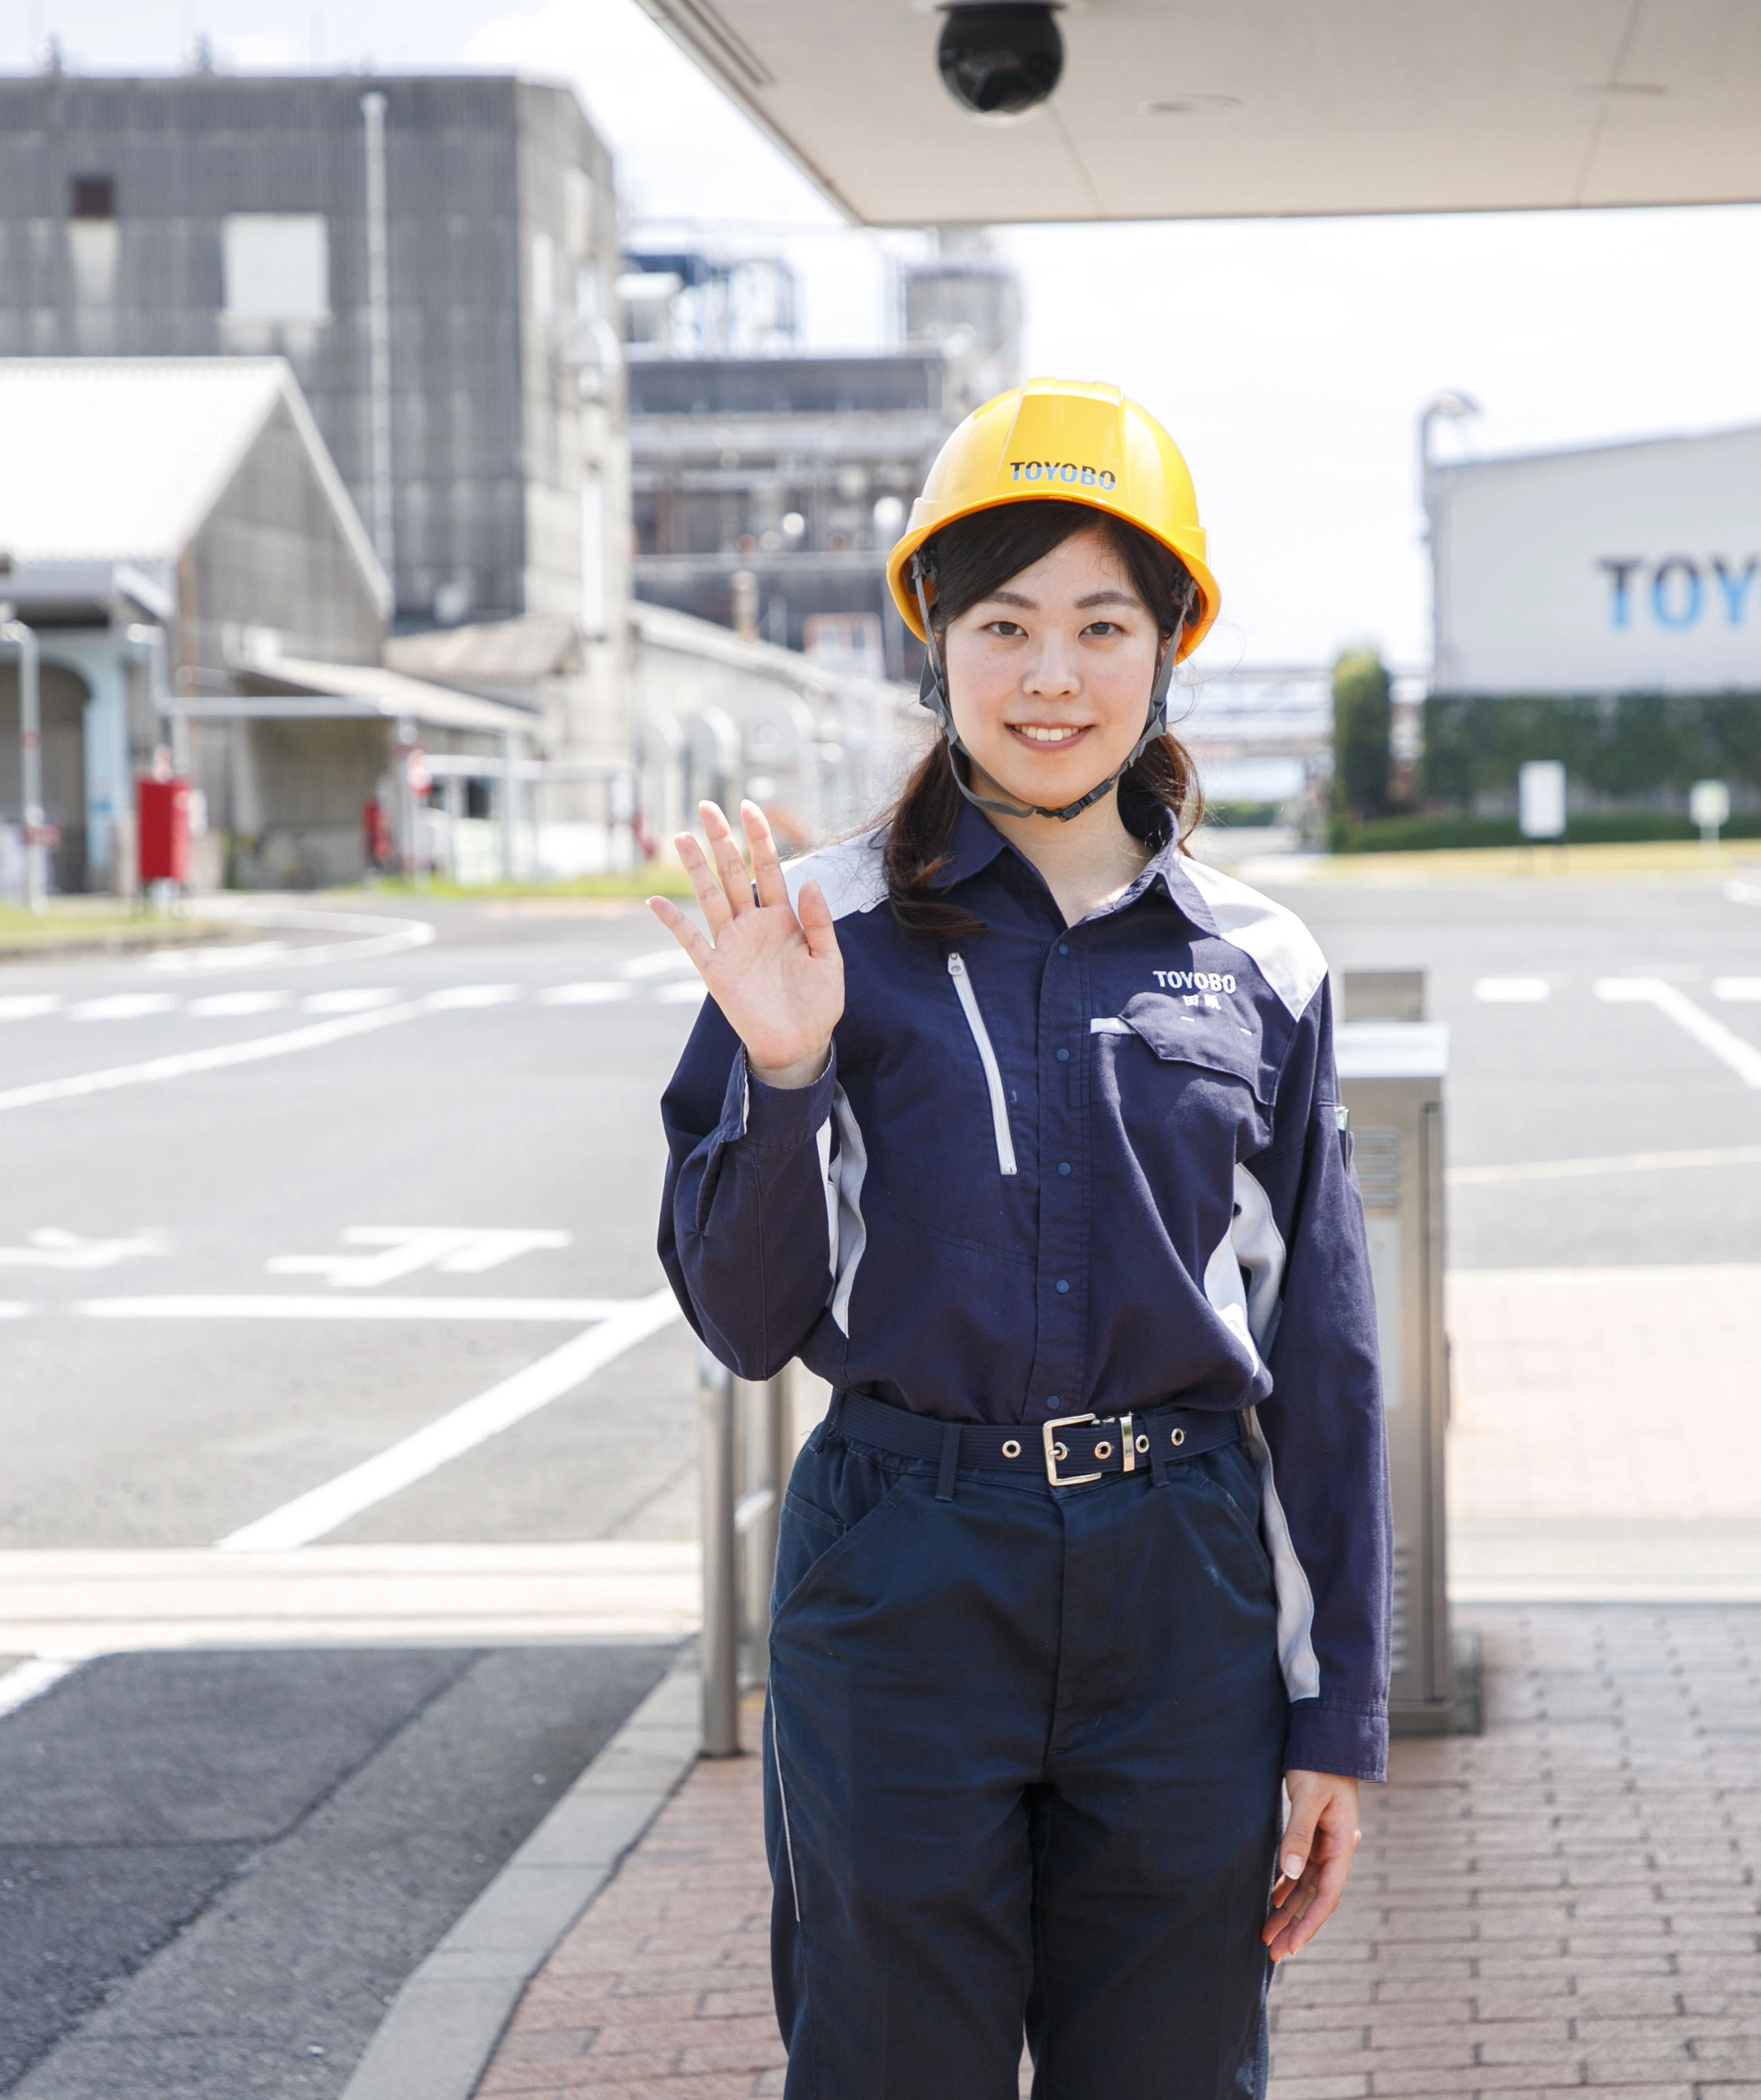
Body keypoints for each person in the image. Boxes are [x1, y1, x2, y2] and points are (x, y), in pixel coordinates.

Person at [650, 377, 1388, 2099]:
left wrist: (1336, 1714)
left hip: (1181, 1580)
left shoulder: (1261, 962)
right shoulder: (816, 930)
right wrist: (785, 1075)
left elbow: (1330, 1358)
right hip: (901, 1565)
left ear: (1169, 647)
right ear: (936, 638)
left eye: (1102, 626)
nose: (1053, 675)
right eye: (1005, 624)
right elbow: (745, 1324)